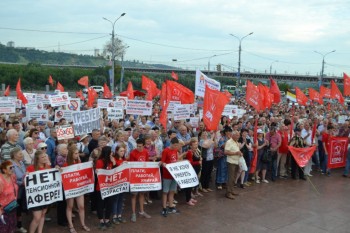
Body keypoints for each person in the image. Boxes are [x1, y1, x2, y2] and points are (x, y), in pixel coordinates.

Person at [62, 146, 90, 233]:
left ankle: (83, 224)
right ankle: (71, 226)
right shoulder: (66, 164)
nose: (78, 155)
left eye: (78, 153)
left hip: (78, 187)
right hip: (70, 189)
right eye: (76, 153)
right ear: (71, 154)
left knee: (81, 206)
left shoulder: (78, 161)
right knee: (70, 206)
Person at [27, 150, 51, 233]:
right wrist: (26, 177)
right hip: (35, 196)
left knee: (43, 214)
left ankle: (40, 231)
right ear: (37, 159)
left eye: (45, 156)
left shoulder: (48, 167)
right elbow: (26, 181)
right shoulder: (31, 168)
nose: (45, 158)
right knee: (37, 217)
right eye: (42, 157)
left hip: (45, 195)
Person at [129, 138, 151, 222]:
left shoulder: (145, 152)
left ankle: (142, 211)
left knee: (141, 194)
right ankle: (133, 213)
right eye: (137, 146)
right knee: (134, 195)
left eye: (140, 146)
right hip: (135, 177)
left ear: (143, 146)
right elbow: (131, 165)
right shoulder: (132, 153)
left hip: (142, 176)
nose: (139, 148)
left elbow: (148, 163)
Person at [95, 146, 116, 230]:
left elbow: (115, 172)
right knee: (100, 204)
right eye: (111, 152)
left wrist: (114, 163)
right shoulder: (100, 161)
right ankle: (101, 220)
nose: (112, 153)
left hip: (110, 186)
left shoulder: (111, 161)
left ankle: (107, 219)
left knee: (109, 203)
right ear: (107, 153)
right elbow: (100, 174)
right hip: (101, 187)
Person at [160, 137, 182, 217]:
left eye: (176, 145)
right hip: (167, 174)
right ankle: (164, 207)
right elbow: (162, 162)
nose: (175, 147)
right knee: (165, 191)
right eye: (174, 145)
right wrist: (164, 164)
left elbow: (175, 160)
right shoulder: (165, 151)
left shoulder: (175, 150)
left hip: (174, 174)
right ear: (171, 143)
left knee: (172, 191)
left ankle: (171, 205)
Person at [10, 148, 27, 233]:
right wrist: (21, 183)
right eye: (20, 154)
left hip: (23, 189)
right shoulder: (11, 165)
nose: (22, 155)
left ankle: (19, 225)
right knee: (15, 209)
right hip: (15, 191)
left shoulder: (21, 163)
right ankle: (13, 227)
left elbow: (25, 173)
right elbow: (12, 179)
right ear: (14, 155)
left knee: (19, 208)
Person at [0, 160, 19, 233]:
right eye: (10, 168)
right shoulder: (0, 181)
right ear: (4, 170)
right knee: (3, 229)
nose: (13, 169)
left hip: (12, 206)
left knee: (12, 227)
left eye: (13, 167)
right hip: (3, 209)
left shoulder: (13, 176)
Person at [111, 145, 127, 225]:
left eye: (123, 151)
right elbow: (113, 170)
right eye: (121, 151)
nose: (122, 152)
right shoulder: (114, 159)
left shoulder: (124, 159)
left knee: (121, 199)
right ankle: (114, 216)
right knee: (115, 199)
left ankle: (119, 215)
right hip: (116, 183)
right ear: (117, 151)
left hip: (122, 182)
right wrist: (121, 165)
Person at [224, 130, 242, 200]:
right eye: (237, 135)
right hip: (231, 162)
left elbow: (237, 151)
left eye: (239, 135)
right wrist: (236, 153)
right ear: (233, 135)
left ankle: (231, 190)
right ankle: (228, 193)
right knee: (231, 178)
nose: (238, 136)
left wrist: (240, 153)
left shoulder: (236, 142)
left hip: (236, 161)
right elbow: (226, 152)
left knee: (234, 177)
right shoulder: (229, 142)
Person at [184, 138, 202, 206]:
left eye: (196, 144)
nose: (196, 146)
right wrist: (198, 162)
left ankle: (190, 198)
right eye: (194, 144)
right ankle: (187, 199)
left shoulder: (195, 151)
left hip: (196, 170)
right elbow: (190, 162)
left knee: (191, 186)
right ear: (191, 145)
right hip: (192, 170)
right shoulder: (189, 152)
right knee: (189, 186)